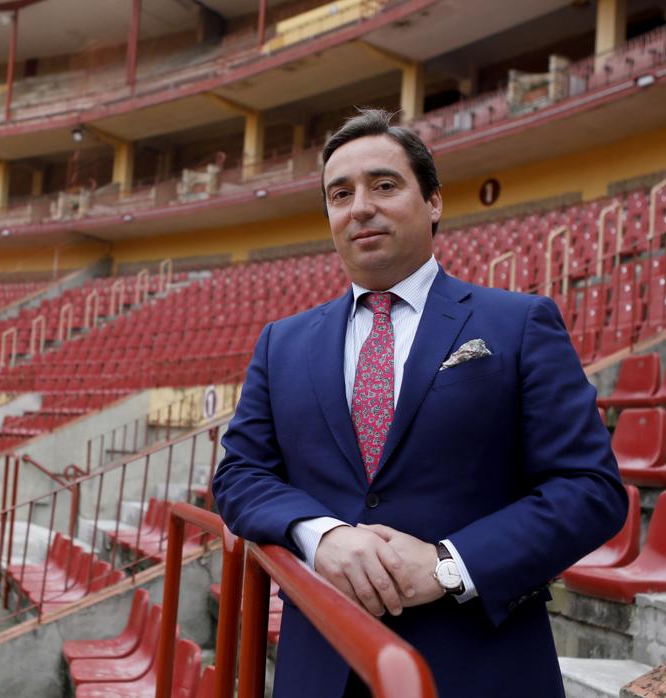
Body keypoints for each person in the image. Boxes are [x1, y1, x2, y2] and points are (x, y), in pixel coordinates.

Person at [211, 108, 627, 697]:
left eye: (384, 185)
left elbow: (590, 489)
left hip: (478, 664)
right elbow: (240, 475)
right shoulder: (282, 342)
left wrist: (447, 564)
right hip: (320, 666)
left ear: (433, 201)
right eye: (340, 193)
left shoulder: (519, 323)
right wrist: (321, 535)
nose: (360, 207)